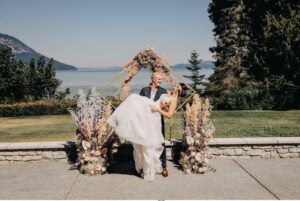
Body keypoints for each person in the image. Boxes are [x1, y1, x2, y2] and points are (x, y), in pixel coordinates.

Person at [107, 83, 182, 181]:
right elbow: (160, 101)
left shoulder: (174, 100)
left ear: (178, 90)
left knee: (148, 144)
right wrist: (162, 106)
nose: (173, 87)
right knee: (133, 98)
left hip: (154, 116)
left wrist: (159, 109)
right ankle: (119, 119)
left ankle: (148, 171)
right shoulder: (167, 93)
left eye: (175, 86)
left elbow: (169, 115)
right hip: (149, 112)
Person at [139, 72, 169, 177]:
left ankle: (164, 166)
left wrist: (161, 108)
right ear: (153, 79)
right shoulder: (144, 90)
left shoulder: (163, 91)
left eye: (161, 79)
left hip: (157, 121)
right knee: (146, 143)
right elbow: (139, 105)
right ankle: (146, 166)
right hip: (146, 121)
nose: (160, 81)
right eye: (159, 79)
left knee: (160, 142)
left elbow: (167, 107)